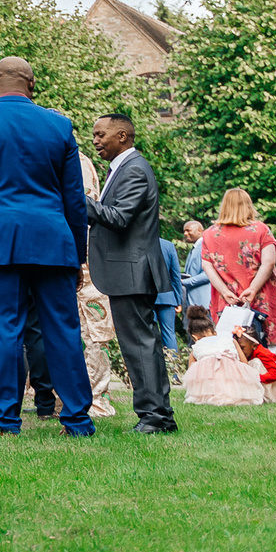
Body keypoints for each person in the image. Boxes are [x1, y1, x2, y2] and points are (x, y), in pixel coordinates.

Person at [0, 57, 94, 437]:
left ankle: (6, 421)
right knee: (63, 330)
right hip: (54, 240)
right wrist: (78, 255)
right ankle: (78, 420)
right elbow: (74, 199)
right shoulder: (60, 125)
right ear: (32, 84)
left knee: (5, 331)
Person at [85, 112, 175, 435]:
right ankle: (159, 414)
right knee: (141, 344)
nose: (95, 141)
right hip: (128, 271)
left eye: (100, 135)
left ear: (122, 136)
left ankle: (155, 417)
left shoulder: (134, 169)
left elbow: (120, 217)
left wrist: (78, 201)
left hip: (133, 270)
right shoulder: (122, 169)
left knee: (139, 345)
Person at [198, 189, 276, 347]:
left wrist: (225, 292)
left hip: (227, 302)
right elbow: (269, 262)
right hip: (261, 299)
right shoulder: (261, 230)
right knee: (266, 347)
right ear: (248, 206)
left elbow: (206, 265)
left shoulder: (209, 234)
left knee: (229, 346)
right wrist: (253, 289)